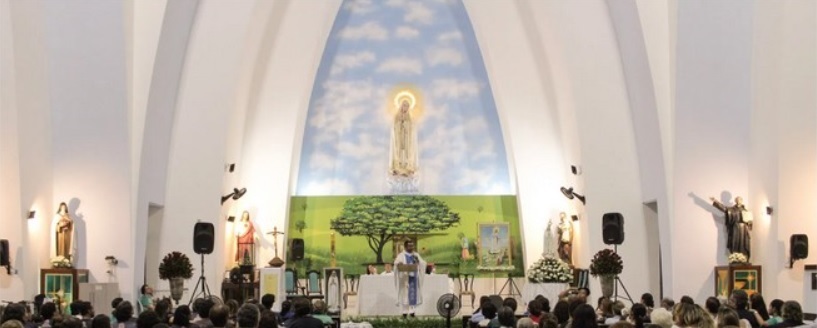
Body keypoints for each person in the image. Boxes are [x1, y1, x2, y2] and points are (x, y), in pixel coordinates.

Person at [389, 91, 419, 176]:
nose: (405, 107)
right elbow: (394, 127)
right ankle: (397, 168)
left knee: (407, 151)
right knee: (397, 151)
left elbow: (411, 128)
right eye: (404, 105)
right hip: (398, 137)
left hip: (407, 137)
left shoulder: (410, 117)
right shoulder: (396, 116)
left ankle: (408, 169)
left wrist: (405, 124)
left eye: (407, 106)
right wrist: (399, 123)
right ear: (401, 106)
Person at [394, 240, 425, 318]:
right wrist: (399, 264)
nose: (411, 247)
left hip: (413, 278)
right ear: (405, 246)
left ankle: (412, 311)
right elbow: (396, 263)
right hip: (405, 278)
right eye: (409, 246)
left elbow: (423, 263)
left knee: (413, 294)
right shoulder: (401, 255)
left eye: (412, 246)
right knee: (405, 295)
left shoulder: (416, 255)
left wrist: (419, 262)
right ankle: (404, 312)